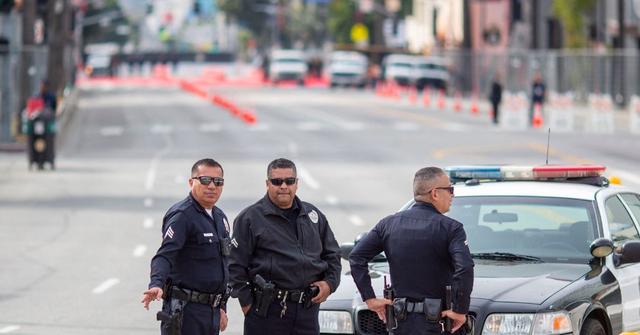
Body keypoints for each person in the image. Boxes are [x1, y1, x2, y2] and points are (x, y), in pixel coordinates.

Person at [349, 167, 474, 335]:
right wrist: (460, 310)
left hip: (401, 324)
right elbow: (464, 268)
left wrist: (369, 298)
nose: (453, 195)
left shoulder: (388, 224)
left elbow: (356, 257)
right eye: (450, 189)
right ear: (435, 193)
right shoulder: (451, 228)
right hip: (439, 324)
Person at [229, 158, 342, 335]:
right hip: (267, 313)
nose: (283, 186)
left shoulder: (312, 215)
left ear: (297, 183)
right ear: (267, 184)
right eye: (277, 181)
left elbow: (333, 255)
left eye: (289, 181)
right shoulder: (250, 218)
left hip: (307, 311)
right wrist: (247, 304)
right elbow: (234, 265)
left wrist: (329, 284)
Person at [141, 158, 231, 335]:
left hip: (211, 312)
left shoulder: (220, 217)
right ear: (191, 182)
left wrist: (221, 306)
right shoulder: (182, 215)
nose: (212, 186)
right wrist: (156, 283)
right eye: (205, 180)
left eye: (218, 181)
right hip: (186, 312)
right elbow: (164, 255)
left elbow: (223, 265)